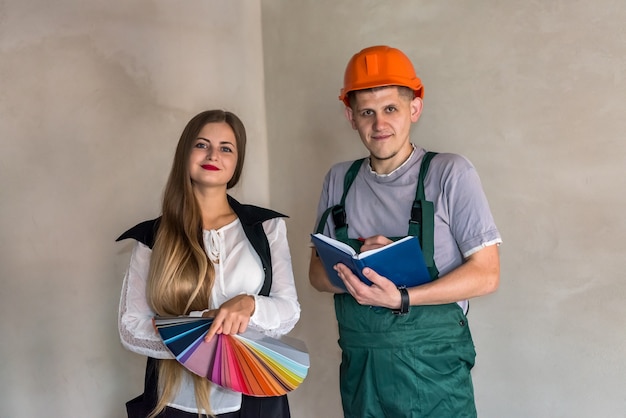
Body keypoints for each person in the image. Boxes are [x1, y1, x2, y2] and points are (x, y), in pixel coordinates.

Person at [309, 45, 502, 417]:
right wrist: (366, 272)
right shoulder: (339, 180)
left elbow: (487, 274)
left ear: (414, 108)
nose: (379, 124)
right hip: (361, 368)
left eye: (390, 109)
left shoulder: (449, 173)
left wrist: (401, 297)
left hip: (434, 370)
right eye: (367, 112)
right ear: (351, 116)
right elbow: (317, 273)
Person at [117, 110, 301, 418]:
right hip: (174, 401)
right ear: (185, 153)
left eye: (226, 148)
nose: (213, 154)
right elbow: (131, 327)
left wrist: (249, 305)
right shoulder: (152, 237)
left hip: (256, 397)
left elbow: (288, 311)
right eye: (202, 145)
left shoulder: (267, 228)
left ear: (236, 162)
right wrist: (202, 327)